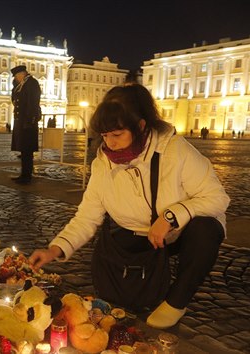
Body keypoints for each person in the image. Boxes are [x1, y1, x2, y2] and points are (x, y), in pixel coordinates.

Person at [29, 84, 229, 330]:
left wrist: (170, 217)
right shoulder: (103, 163)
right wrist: (55, 249)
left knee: (207, 230)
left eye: (117, 134)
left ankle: (177, 300)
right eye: (104, 135)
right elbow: (87, 216)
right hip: (134, 233)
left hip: (178, 233)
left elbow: (218, 198)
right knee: (120, 300)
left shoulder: (175, 151)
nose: (109, 144)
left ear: (141, 126)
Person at [10, 65, 41, 184]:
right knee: (23, 150)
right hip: (21, 121)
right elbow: (15, 99)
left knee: (27, 151)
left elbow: (33, 103)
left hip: (28, 122)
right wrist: (15, 84)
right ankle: (24, 174)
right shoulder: (21, 85)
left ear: (22, 74)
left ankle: (26, 176)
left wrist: (30, 120)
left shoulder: (32, 83)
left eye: (17, 76)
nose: (16, 78)